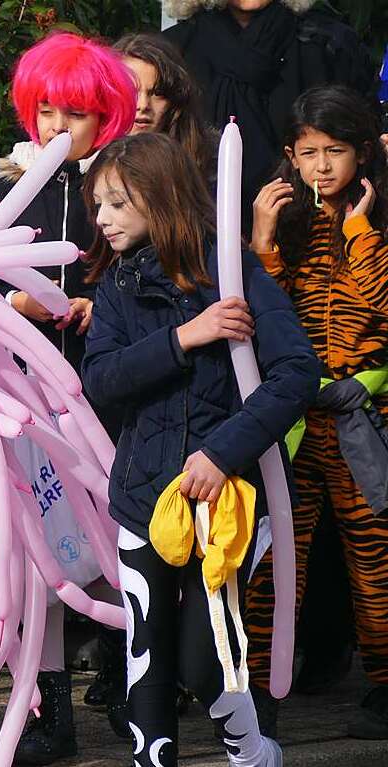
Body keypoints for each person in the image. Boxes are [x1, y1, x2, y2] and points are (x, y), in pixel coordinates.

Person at [82, 131, 320, 767]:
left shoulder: (232, 272)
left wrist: (222, 455)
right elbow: (99, 379)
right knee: (147, 653)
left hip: (226, 504)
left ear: (160, 202)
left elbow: (297, 372)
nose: (100, 219)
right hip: (141, 499)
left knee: (206, 660)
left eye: (116, 204)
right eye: (97, 204)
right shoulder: (115, 287)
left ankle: (249, 748)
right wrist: (184, 337)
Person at [0, 31, 137, 764]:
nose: (56, 129)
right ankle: (48, 707)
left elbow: (153, 276)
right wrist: (16, 301)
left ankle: (133, 689)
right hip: (29, 395)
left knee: (120, 545)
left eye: (74, 113)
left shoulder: (127, 184)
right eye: (44, 112)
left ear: (107, 114)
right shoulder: (16, 186)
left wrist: (96, 306)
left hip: (112, 399)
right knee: (38, 554)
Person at [247, 84, 388, 740]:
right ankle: (255, 689)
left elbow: (376, 311)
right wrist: (265, 240)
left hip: (367, 418)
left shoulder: (377, 223)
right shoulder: (289, 223)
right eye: (310, 152)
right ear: (290, 157)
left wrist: (359, 236)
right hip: (295, 418)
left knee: (375, 558)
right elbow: (259, 319)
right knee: (276, 556)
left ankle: (385, 686)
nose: (324, 166)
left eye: (336, 151)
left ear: (362, 153)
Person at [164, 0, 374, 228]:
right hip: (197, 230)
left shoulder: (330, 45)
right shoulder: (173, 51)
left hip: (314, 234)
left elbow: (364, 142)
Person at [113, 32, 219, 185]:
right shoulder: (83, 168)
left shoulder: (210, 163)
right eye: (130, 91)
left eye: (157, 93)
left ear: (175, 99)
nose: (143, 105)